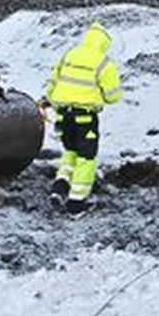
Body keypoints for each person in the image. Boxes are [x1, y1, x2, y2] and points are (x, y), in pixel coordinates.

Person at [43, 21, 124, 215]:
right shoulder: (104, 63)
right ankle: (76, 204)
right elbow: (113, 96)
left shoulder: (69, 54)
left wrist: (53, 101)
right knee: (86, 158)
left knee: (69, 153)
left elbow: (53, 83)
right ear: (104, 43)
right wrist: (98, 97)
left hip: (64, 115)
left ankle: (59, 188)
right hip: (85, 119)